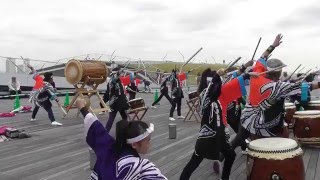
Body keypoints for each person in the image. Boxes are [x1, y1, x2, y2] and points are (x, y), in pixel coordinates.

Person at [233, 34, 320, 149]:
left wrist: (273, 45)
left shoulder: (256, 74)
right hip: (265, 125)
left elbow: (262, 57)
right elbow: (308, 87)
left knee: (240, 136)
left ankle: (222, 155)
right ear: (279, 73)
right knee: (284, 137)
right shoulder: (279, 87)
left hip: (247, 119)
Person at [180, 68, 250, 180]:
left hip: (219, 134)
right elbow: (212, 92)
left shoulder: (216, 93)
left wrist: (244, 73)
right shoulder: (206, 95)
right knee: (194, 163)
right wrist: (217, 75)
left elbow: (230, 82)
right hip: (208, 136)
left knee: (231, 155)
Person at [75, 98, 167, 180]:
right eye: (148, 140)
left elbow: (96, 127)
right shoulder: (141, 167)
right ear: (134, 144)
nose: (149, 144)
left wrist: (82, 107)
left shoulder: (108, 146)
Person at [103, 68, 129, 132]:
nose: (122, 75)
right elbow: (116, 77)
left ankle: (125, 131)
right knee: (111, 119)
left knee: (124, 117)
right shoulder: (113, 80)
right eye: (120, 74)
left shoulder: (118, 81)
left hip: (121, 102)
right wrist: (103, 102)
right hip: (115, 103)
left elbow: (121, 91)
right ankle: (105, 133)